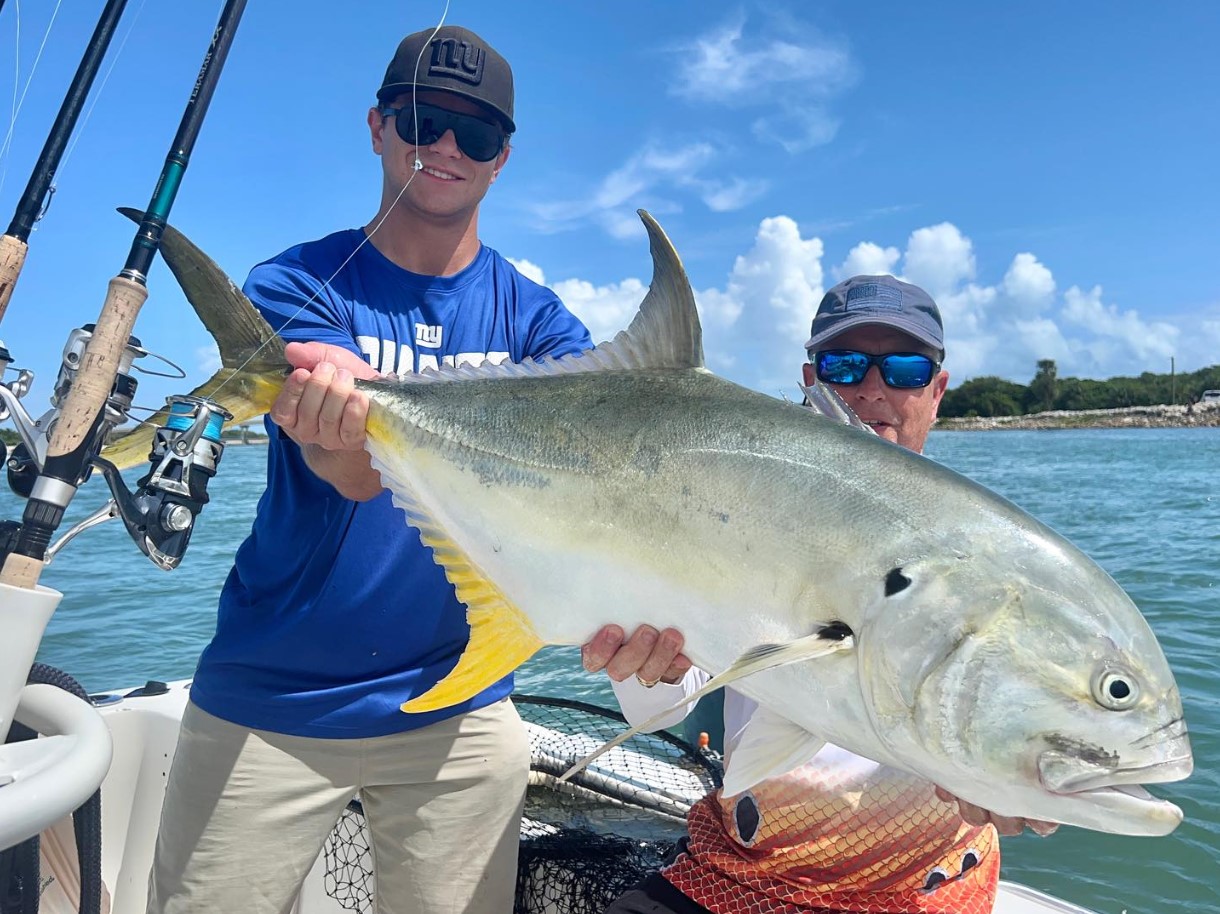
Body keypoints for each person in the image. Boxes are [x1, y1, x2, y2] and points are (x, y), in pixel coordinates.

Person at [146, 25, 591, 914]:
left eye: (480, 134)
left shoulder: (542, 328)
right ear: (379, 126)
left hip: (461, 709)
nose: (449, 148)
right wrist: (339, 428)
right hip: (270, 698)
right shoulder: (298, 282)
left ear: (504, 159)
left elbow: (585, 485)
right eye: (426, 120)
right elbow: (349, 477)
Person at [585, 275, 1056, 914]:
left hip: (931, 888)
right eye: (845, 365)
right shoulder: (729, 519)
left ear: (937, 390)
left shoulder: (993, 556)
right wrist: (643, 669)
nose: (872, 389)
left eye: (905, 370)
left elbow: (1053, 726)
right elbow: (663, 711)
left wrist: (1034, 791)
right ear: (811, 380)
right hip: (744, 877)